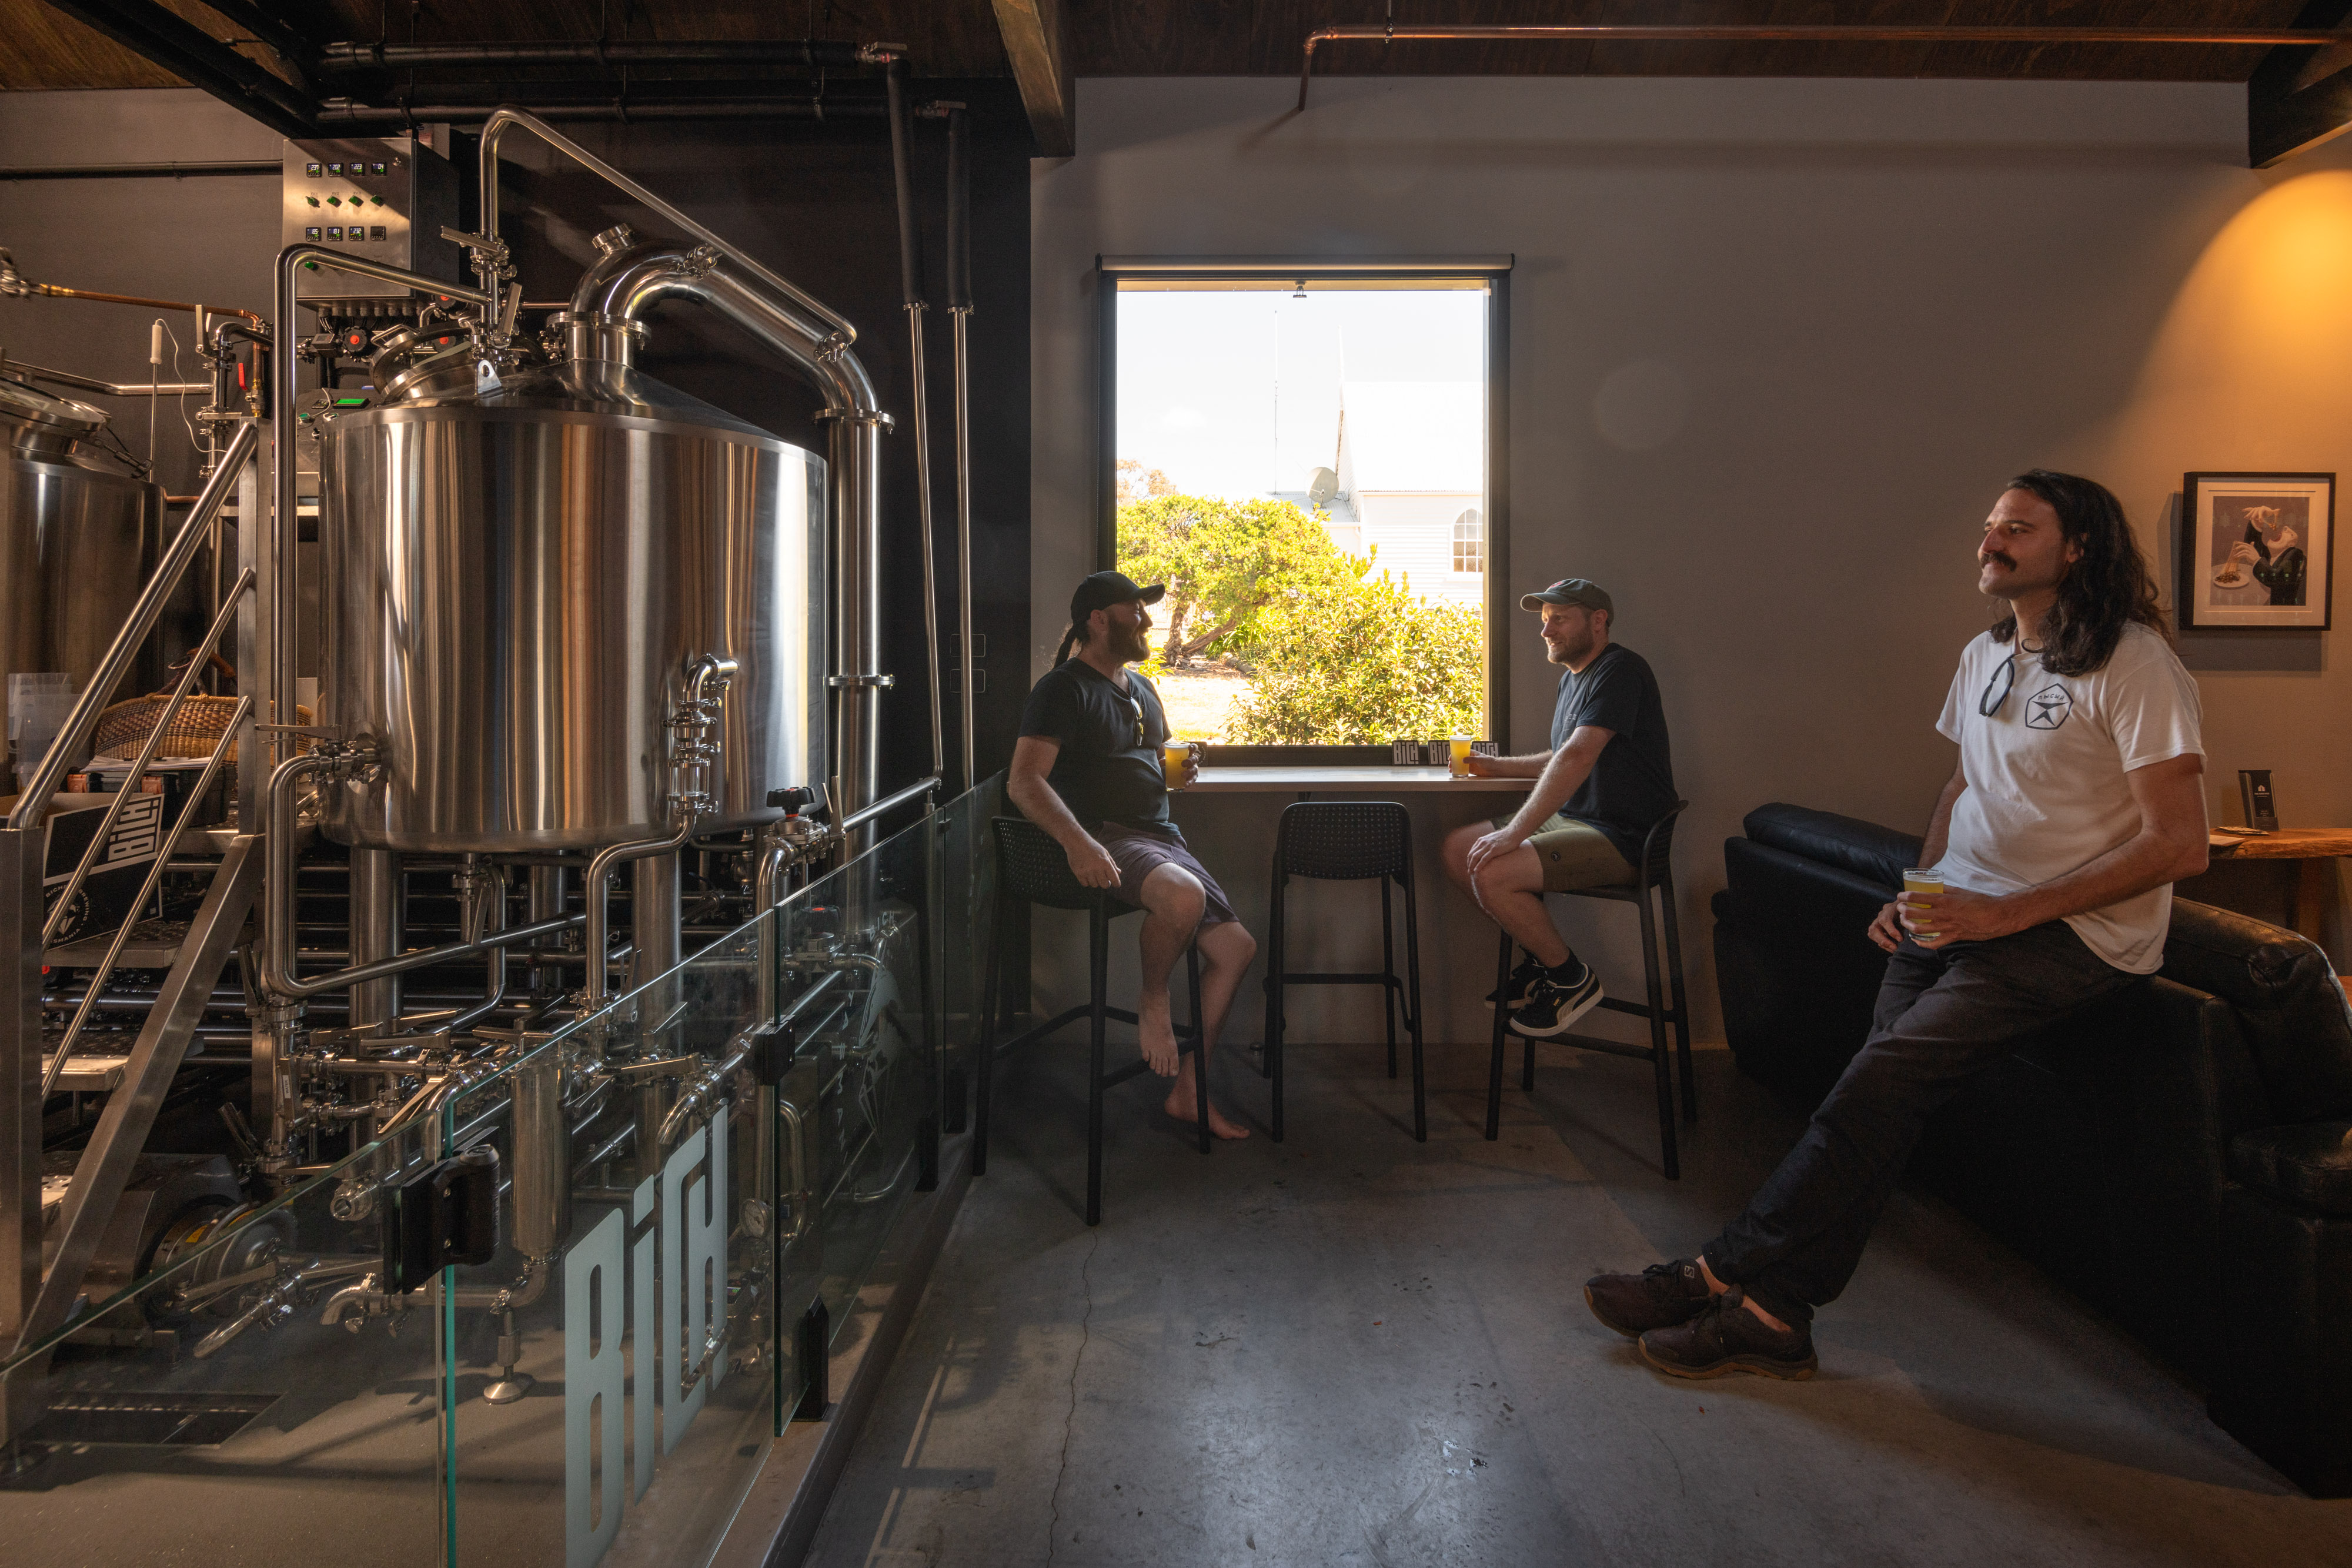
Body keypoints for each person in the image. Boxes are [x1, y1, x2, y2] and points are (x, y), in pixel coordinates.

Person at [1585, 470, 2207, 1382]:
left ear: (2078, 548)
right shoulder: (1985, 652)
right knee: (1872, 1108)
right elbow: (1965, 787)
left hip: (2068, 936)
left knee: (1874, 1086)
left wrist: (2006, 909)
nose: (1991, 541)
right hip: (1954, 910)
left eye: (2020, 529)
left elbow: (2181, 842)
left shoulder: (2135, 661)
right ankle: (1775, 1317)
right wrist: (1923, 886)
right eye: (1991, 525)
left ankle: (1714, 1272)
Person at [1007, 571, 1258, 1139]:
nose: (1147, 620)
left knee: (1237, 949)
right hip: (1109, 837)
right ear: (1099, 619)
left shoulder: (1142, 688)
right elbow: (1024, 782)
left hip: (1162, 838)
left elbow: (1150, 760)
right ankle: (1153, 1000)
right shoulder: (1062, 689)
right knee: (1182, 896)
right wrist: (1080, 842)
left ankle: (1189, 1091)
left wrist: (1178, 770)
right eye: (1134, 610)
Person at [1442, 579, 1677, 1039]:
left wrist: (1513, 834)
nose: (1547, 630)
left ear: (1598, 620)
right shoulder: (1573, 679)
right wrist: (1495, 768)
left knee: (1492, 871)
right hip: (1579, 819)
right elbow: (1561, 757)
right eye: (1545, 619)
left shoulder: (1621, 670)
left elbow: (1578, 756)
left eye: (1560, 618)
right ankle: (1543, 963)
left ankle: (1570, 977)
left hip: (1624, 836)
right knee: (1458, 848)